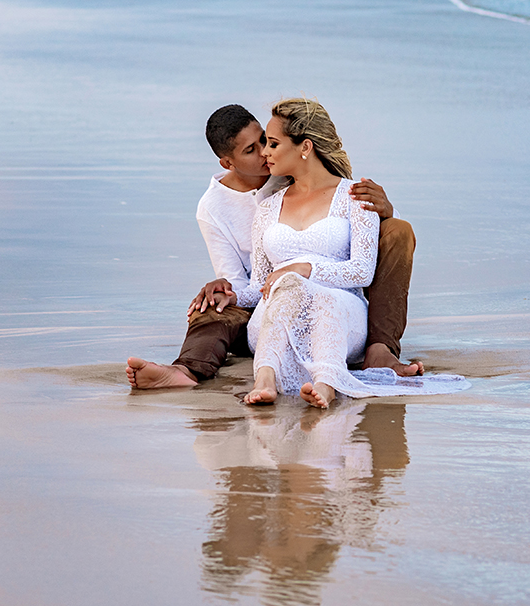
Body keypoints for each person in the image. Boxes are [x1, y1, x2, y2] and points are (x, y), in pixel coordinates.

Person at [126, 103, 421, 390]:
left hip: (335, 289)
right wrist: (226, 291)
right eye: (251, 150)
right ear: (228, 163)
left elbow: (329, 185)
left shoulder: (289, 172)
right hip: (265, 299)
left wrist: (381, 209)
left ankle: (380, 348)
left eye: (266, 141)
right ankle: (184, 370)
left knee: (398, 231)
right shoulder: (213, 209)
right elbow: (246, 285)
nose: (264, 153)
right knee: (211, 306)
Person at [239, 98, 468, 407]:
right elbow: (260, 285)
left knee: (323, 298)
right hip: (278, 317)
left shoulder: (355, 196)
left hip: (340, 312)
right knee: (287, 289)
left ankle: (327, 383)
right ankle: (265, 379)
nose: (265, 152)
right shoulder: (266, 208)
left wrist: (304, 269)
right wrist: (232, 296)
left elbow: (362, 270)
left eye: (273, 143)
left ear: (304, 147)